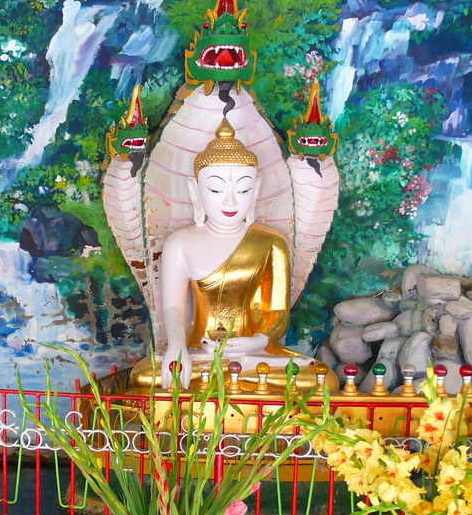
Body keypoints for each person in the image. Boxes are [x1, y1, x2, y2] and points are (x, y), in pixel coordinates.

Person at [129, 119, 330, 392]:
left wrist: (257, 342)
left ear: (256, 190)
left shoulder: (271, 242)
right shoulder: (180, 243)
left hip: (255, 355)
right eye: (215, 189)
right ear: (195, 190)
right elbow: (173, 308)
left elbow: (278, 314)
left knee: (320, 379)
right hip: (199, 351)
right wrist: (177, 345)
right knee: (144, 376)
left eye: (243, 190)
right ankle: (238, 381)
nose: (230, 201)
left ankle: (233, 376)